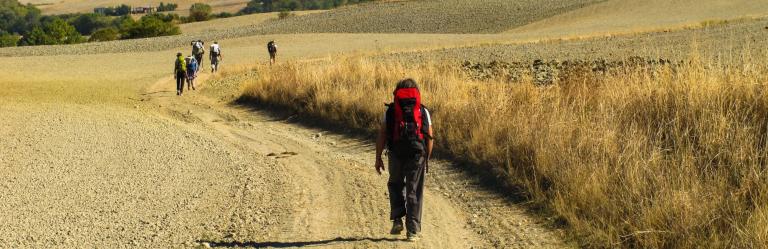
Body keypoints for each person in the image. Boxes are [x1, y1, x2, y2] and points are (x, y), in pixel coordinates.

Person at [375, 78, 434, 242]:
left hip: (396, 152)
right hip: (417, 154)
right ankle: (413, 231)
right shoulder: (422, 111)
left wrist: (378, 158)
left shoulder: (391, 111)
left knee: (395, 184)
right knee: (414, 190)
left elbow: (382, 135)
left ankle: (397, 220)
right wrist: (426, 158)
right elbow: (429, 137)